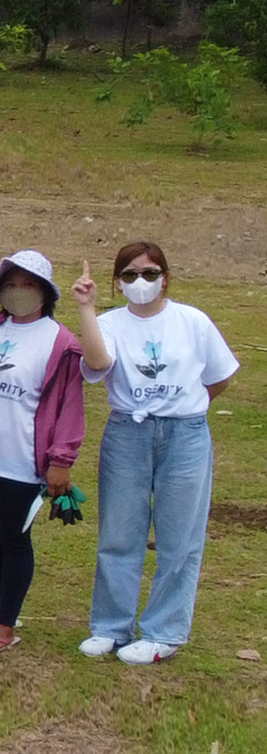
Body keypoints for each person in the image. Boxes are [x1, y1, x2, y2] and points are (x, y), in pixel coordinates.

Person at [74, 241, 238, 663]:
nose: (140, 282)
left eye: (149, 273)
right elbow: (97, 364)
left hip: (185, 435)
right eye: (129, 275)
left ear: (166, 277)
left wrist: (187, 409)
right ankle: (111, 626)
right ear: (117, 282)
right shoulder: (109, 322)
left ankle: (164, 631)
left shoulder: (193, 321)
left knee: (180, 536)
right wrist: (87, 309)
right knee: (119, 531)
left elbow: (219, 377)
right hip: (129, 431)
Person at [0, 250, 82, 653]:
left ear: (45, 292)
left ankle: (8, 623)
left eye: (28, 284)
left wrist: (61, 460)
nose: (19, 291)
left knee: (14, 540)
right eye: (11, 283)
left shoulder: (61, 343)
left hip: (22, 461)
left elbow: (68, 405)